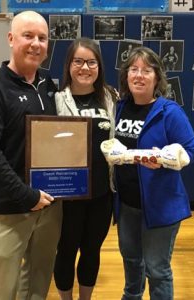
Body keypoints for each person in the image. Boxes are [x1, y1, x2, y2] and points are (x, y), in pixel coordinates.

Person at [0, 11, 63, 300]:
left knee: (37, 284)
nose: (36, 43)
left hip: (49, 206)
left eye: (42, 38)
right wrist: (26, 195)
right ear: (11, 39)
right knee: (2, 290)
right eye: (28, 36)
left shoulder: (49, 88)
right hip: (11, 208)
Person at [113, 46, 194, 300]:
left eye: (146, 71)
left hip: (161, 206)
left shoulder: (169, 112)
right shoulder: (119, 108)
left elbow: (192, 150)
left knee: (157, 269)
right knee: (131, 261)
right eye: (134, 70)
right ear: (126, 76)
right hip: (127, 205)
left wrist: (166, 159)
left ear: (157, 77)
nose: (139, 76)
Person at [53, 37, 118, 300]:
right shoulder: (56, 100)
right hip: (68, 195)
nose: (85, 67)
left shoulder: (111, 98)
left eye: (91, 62)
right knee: (66, 251)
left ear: (99, 67)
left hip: (102, 194)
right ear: (68, 65)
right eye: (78, 61)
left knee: (92, 251)